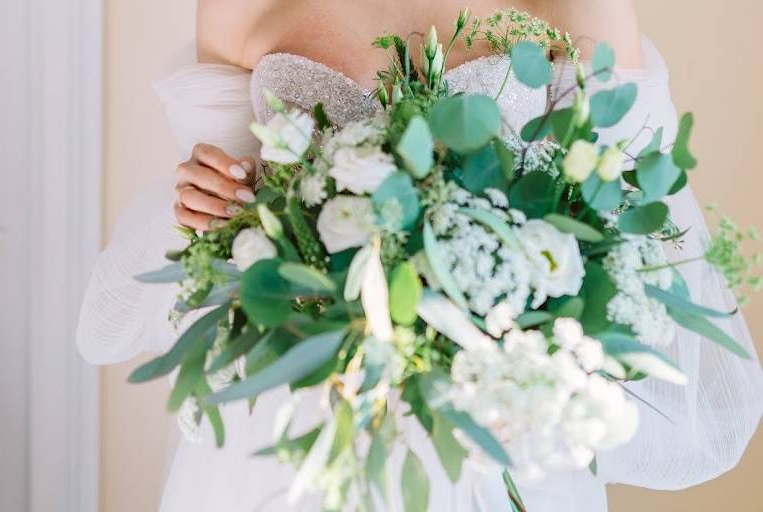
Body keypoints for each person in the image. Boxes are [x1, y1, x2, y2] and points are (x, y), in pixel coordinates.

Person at [77, 1, 763, 510]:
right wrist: (202, 195)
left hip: (498, 422)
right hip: (308, 413)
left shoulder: (578, 5)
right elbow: (226, 208)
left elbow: (623, 216)